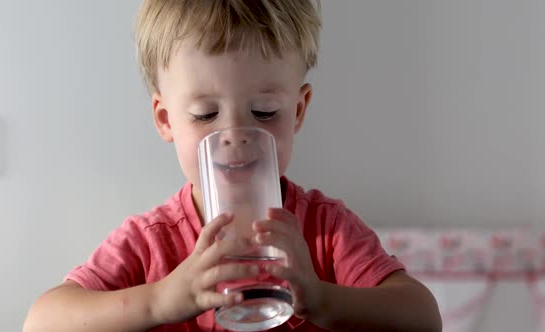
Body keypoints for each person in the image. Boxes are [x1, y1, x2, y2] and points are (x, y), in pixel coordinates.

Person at [23, 0, 442, 331]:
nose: (236, 134)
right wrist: (162, 300)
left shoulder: (325, 229)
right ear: (166, 119)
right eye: (205, 114)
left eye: (264, 112)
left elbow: (422, 316)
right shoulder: (149, 244)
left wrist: (321, 299)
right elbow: (42, 322)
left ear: (298, 111)